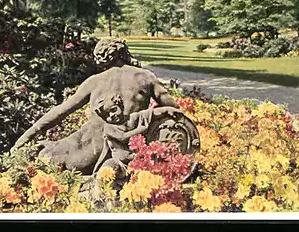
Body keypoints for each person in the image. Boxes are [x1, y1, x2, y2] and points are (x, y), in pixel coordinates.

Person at [12, 38, 178, 174]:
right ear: (123, 53)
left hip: (90, 146)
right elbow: (173, 108)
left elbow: (61, 111)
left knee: (46, 155)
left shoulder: (95, 81)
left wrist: (28, 135)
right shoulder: (145, 77)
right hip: (130, 145)